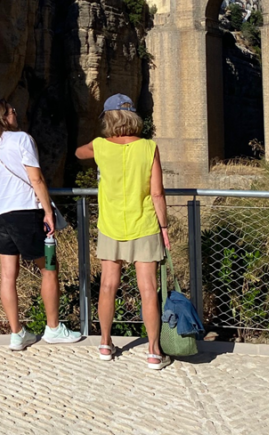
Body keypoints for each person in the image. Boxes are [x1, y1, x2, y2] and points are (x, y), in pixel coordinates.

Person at [75, 94, 170, 370]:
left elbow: (79, 153)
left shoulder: (101, 146)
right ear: (133, 117)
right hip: (145, 224)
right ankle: (153, 352)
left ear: (109, 118)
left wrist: (99, 149)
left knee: (107, 285)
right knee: (149, 289)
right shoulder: (149, 147)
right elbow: (157, 192)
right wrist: (164, 227)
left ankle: (105, 343)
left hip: (111, 225)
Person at [0, 99, 82, 351]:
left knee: (7, 276)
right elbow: (36, 178)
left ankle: (17, 333)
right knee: (49, 268)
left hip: (0, 214)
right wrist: (48, 211)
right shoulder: (22, 139)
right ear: (4, 117)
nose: (16, 113)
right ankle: (54, 328)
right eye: (12, 111)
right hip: (26, 211)